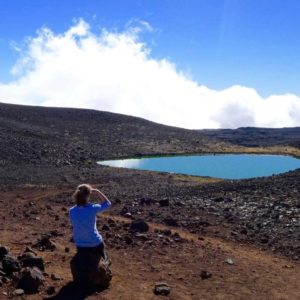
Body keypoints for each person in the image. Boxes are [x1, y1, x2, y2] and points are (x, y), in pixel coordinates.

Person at [69, 184, 111, 259]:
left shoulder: (71, 211)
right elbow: (108, 203)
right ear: (87, 196)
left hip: (80, 244)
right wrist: (97, 191)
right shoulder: (93, 208)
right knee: (105, 259)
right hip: (95, 243)